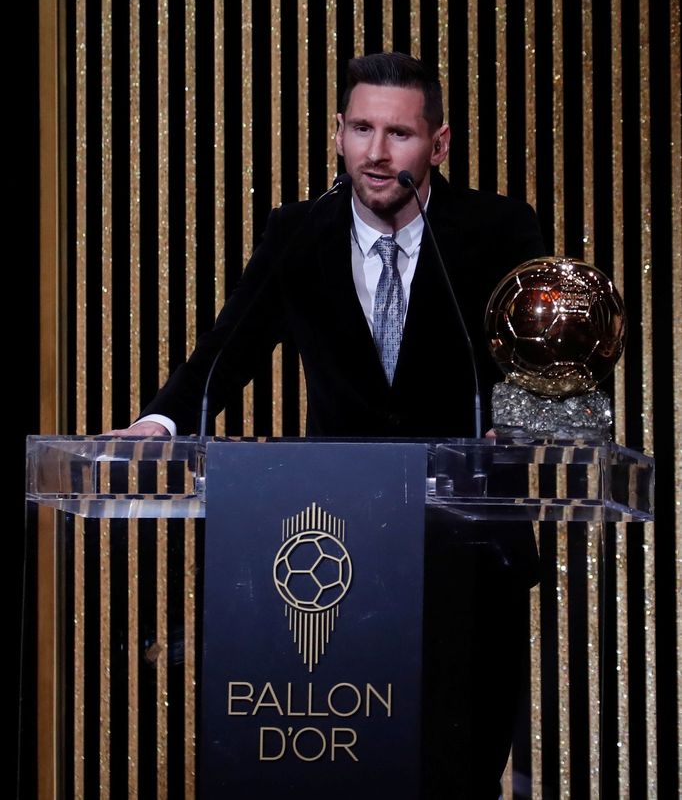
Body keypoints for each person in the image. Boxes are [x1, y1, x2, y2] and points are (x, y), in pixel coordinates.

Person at [110, 52, 545, 797]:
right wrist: (160, 419)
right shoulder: (298, 232)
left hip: (470, 556)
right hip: (340, 557)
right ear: (338, 132)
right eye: (362, 128)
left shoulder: (498, 229)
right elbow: (227, 348)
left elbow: (543, 369)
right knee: (346, 768)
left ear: (437, 145)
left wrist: (518, 423)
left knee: (460, 776)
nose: (377, 154)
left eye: (400, 134)